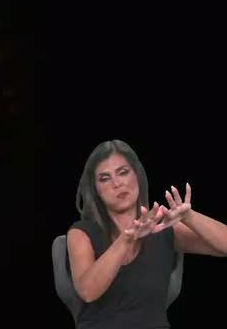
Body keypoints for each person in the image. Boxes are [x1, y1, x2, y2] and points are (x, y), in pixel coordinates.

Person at [67, 140, 227, 328]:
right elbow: (88, 291)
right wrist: (126, 239)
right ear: (96, 190)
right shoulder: (81, 233)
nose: (117, 183)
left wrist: (189, 217)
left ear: (137, 175)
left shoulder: (163, 228)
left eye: (123, 172)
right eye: (104, 178)